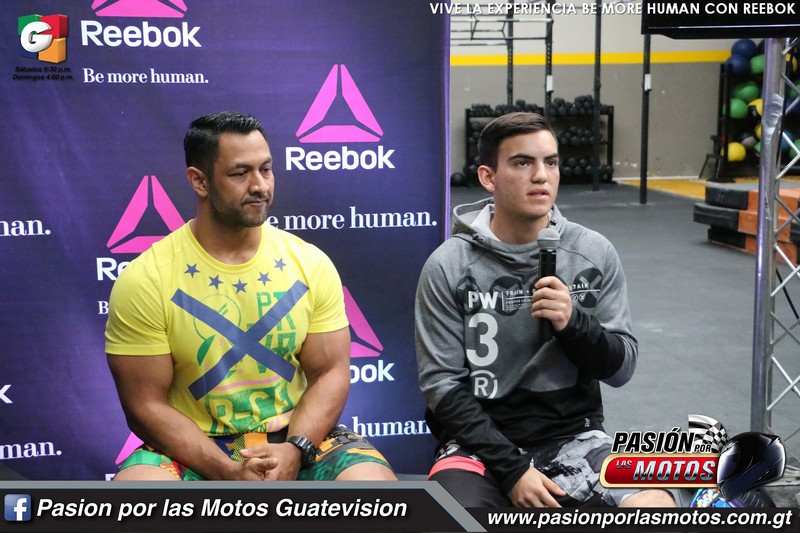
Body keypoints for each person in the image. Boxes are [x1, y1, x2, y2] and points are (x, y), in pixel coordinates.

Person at [105, 111, 396, 482]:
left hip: (295, 436)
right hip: (194, 447)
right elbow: (145, 404)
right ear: (199, 181)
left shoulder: (309, 263)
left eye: (266, 170)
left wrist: (296, 449)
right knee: (138, 490)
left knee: (373, 486)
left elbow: (330, 372)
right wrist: (225, 470)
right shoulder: (146, 278)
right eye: (240, 173)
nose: (260, 186)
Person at [414, 112, 673, 507]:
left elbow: (621, 370)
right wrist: (513, 470)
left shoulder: (593, 252)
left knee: (654, 506)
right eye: (522, 163)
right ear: (488, 177)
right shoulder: (448, 266)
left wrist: (573, 323)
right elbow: (442, 387)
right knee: (450, 516)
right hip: (478, 445)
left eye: (550, 162)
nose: (541, 176)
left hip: (576, 436)